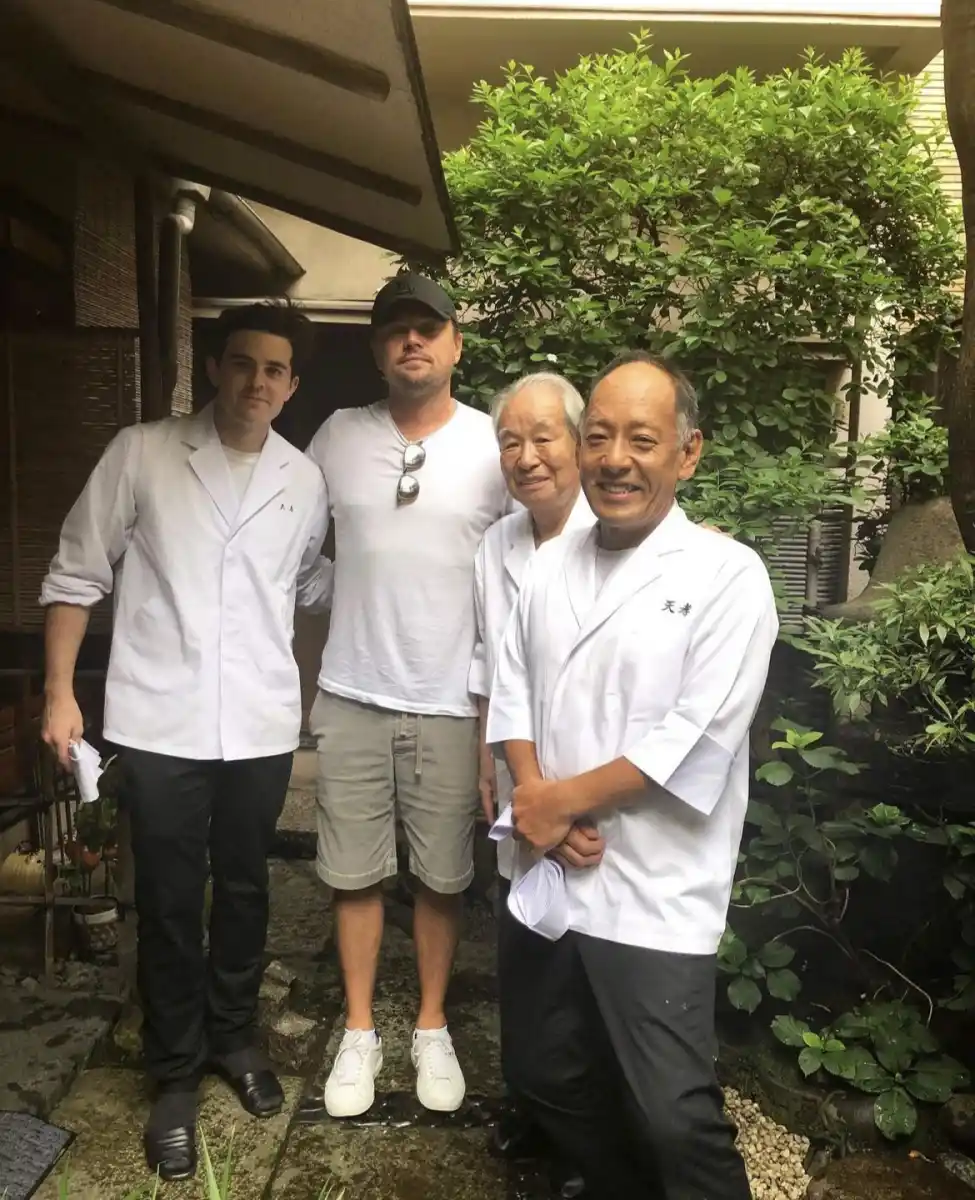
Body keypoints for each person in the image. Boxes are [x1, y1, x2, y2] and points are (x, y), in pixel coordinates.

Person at [40, 302, 332, 1182]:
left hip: (258, 722)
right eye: (243, 363)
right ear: (214, 366)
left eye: (276, 370)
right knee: (169, 895)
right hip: (157, 718)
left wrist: (317, 683)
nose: (258, 383)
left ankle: (234, 1038)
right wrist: (59, 691)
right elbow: (75, 571)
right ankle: (171, 1071)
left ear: (291, 384)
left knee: (246, 887)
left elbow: (310, 585)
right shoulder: (142, 451)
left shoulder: (303, 477)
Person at [487, 350, 778, 1200]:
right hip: (549, 865)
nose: (616, 459)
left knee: (671, 1115)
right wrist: (537, 801)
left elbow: (693, 738)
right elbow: (512, 689)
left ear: (686, 454)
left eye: (641, 440)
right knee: (542, 1075)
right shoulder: (548, 565)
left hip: (653, 884)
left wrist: (553, 801)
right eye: (601, 436)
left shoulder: (727, 577)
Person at [305, 272, 510, 1119]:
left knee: (441, 877)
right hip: (352, 689)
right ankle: (359, 1031)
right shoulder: (335, 437)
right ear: (377, 349)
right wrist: (333, 592)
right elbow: (292, 546)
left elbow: (534, 560)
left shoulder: (496, 445)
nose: (412, 342)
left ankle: (430, 1025)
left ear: (457, 343)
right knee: (351, 876)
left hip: (449, 698)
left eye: (429, 329)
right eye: (396, 331)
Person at [470, 372, 598, 1193]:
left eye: (542, 436)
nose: (527, 457)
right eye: (510, 441)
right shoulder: (496, 546)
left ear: (581, 442)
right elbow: (489, 663)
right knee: (523, 944)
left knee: (587, 962)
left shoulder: (616, 532)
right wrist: (493, 767)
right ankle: (533, 1104)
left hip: (591, 797)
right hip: (520, 784)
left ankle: (586, 1135)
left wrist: (572, 800)